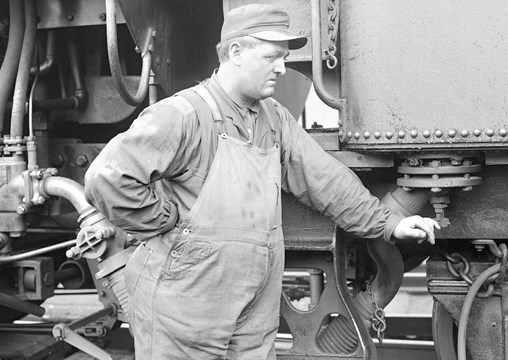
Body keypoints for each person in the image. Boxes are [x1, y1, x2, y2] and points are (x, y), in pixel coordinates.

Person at [84, 4, 440, 359]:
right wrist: (166, 222)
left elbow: (326, 182)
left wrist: (389, 223)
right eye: (273, 56)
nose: (283, 68)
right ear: (236, 52)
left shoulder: (274, 120)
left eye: (284, 57)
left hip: (255, 302)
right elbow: (108, 178)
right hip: (188, 298)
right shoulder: (183, 114)